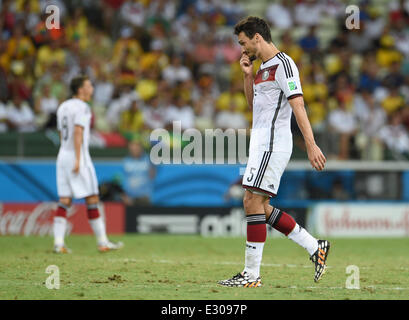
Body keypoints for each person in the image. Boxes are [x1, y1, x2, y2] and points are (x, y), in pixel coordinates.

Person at [218, 17, 330, 288]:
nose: (243, 50)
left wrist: (311, 143)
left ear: (257, 37)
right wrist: (247, 76)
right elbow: (254, 107)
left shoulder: (284, 64)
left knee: (251, 203)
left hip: (272, 143)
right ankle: (315, 246)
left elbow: (298, 104)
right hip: (260, 142)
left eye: (244, 44)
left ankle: (251, 275)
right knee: (261, 206)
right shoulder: (262, 67)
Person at [53, 75, 123, 253]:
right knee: (92, 197)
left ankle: (58, 243)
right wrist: (78, 159)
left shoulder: (63, 106)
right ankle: (103, 242)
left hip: (63, 154)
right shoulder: (83, 108)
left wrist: (67, 154)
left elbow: (61, 133)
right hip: (79, 155)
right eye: (89, 86)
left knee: (65, 199)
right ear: (81, 89)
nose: (92, 89)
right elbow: (78, 131)